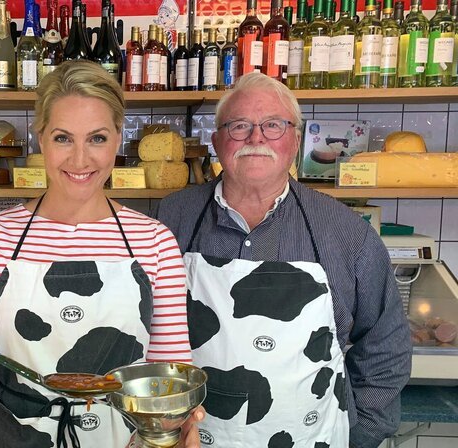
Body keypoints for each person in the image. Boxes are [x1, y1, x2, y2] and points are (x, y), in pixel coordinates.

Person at [0, 60, 203, 447]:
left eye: (97, 138)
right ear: (40, 138)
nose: (79, 159)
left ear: (118, 138)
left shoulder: (154, 240)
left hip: (121, 437)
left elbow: (168, 370)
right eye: (62, 138)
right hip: (16, 435)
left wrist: (174, 424)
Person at [153, 72, 412, 448]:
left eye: (273, 125)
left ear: (295, 140)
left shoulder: (345, 232)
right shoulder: (170, 217)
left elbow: (385, 346)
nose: (256, 138)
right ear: (216, 141)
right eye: (239, 126)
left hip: (311, 438)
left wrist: (359, 433)